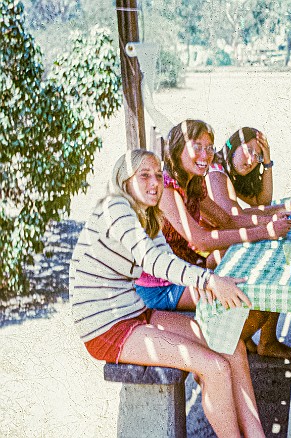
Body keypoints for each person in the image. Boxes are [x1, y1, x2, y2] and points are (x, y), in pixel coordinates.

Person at [69, 149, 265, 437]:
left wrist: (203, 283)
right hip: (107, 327)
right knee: (214, 367)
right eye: (144, 175)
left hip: (136, 312)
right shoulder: (115, 208)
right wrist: (209, 280)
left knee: (230, 343)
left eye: (158, 175)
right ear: (125, 181)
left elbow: (165, 262)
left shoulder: (148, 214)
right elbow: (154, 260)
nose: (154, 182)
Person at [135, 119, 291, 359]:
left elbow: (227, 220)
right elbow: (201, 241)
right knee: (254, 301)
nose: (205, 154)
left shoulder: (193, 184)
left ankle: (243, 344)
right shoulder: (166, 188)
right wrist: (266, 231)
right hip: (163, 284)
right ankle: (213, 349)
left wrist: (269, 222)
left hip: (189, 271)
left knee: (263, 280)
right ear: (177, 148)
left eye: (209, 148)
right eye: (197, 146)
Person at [206, 127, 291, 359]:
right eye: (248, 150)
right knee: (275, 259)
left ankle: (265, 340)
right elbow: (232, 219)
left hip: (222, 244)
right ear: (232, 145)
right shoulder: (216, 173)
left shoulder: (229, 171)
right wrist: (272, 218)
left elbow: (261, 200)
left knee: (278, 252)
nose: (251, 160)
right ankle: (247, 338)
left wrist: (267, 163)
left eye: (257, 156)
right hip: (207, 255)